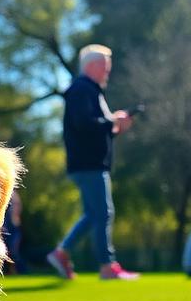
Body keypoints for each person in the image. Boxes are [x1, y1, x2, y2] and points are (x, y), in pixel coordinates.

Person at [47, 44, 139, 281]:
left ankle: (61, 252)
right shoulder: (81, 90)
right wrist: (112, 122)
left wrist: (115, 128)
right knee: (103, 213)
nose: (107, 72)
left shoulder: (90, 91)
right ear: (91, 66)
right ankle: (107, 266)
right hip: (89, 164)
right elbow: (84, 124)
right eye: (105, 68)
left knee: (93, 214)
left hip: (89, 162)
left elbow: (94, 128)